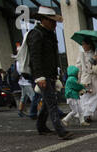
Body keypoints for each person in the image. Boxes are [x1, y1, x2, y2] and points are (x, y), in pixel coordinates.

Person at [27, 6, 73, 139]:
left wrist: (56, 75)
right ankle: (61, 131)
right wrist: (39, 77)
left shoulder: (50, 34)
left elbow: (53, 57)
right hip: (42, 76)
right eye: (52, 21)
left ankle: (41, 126)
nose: (54, 24)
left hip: (50, 75)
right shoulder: (36, 34)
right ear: (43, 20)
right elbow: (35, 57)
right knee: (52, 104)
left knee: (48, 103)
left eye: (55, 21)